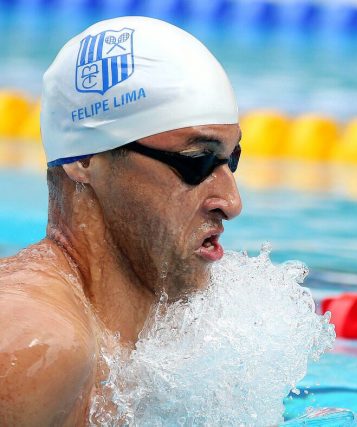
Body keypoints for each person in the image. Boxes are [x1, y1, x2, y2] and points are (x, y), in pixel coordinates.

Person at [0, 16, 242, 425]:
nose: (231, 203)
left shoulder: (168, 337)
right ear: (85, 159)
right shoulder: (32, 348)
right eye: (197, 160)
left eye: (231, 159)